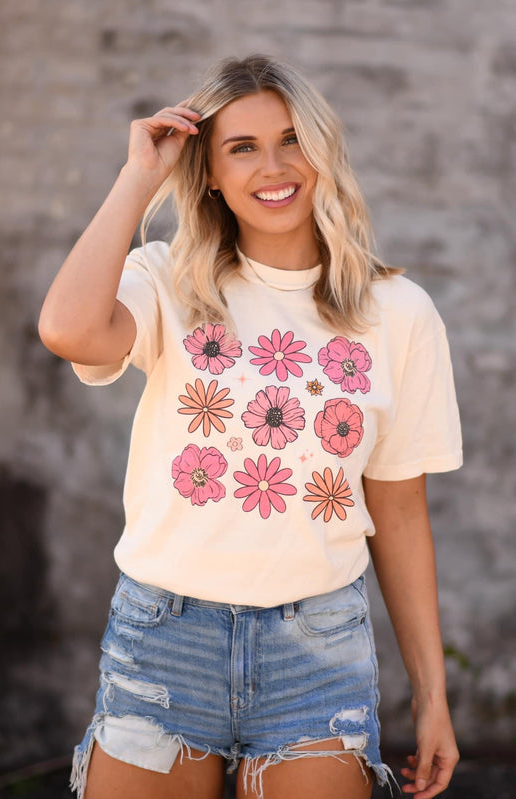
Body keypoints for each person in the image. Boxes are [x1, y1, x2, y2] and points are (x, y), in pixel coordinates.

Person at [39, 54, 462, 799]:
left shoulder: (398, 314)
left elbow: (398, 514)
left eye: (293, 139)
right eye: (242, 146)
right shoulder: (169, 279)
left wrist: (431, 694)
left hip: (316, 650)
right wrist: (139, 176)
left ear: (323, 151)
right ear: (208, 170)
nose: (274, 165)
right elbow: (68, 329)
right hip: (164, 640)